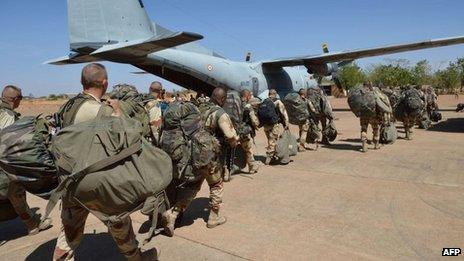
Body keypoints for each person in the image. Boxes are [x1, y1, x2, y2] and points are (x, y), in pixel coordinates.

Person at [53, 64, 156, 261]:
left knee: (67, 235)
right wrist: (117, 112)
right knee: (120, 223)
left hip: (70, 180)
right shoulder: (102, 110)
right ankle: (137, 258)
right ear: (104, 82)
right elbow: (128, 139)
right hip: (96, 181)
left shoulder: (68, 106)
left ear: (82, 82)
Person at [162, 87, 239, 235]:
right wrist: (236, 141)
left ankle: (173, 214)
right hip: (210, 156)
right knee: (216, 184)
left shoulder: (199, 108)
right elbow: (230, 136)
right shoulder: (220, 113)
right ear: (222, 99)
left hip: (194, 154)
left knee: (193, 186)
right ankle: (214, 217)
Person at [0, 85, 52, 235]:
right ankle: (32, 225)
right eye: (20, 98)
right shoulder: (7, 116)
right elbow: (8, 144)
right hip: (4, 165)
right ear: (15, 99)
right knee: (16, 192)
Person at [263, 89, 289, 165]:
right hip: (274, 125)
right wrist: (286, 123)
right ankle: (268, 158)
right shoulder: (278, 102)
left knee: (270, 141)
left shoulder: (265, 102)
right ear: (275, 94)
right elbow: (283, 112)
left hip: (266, 125)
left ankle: (273, 157)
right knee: (273, 141)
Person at [240, 89, 260, 173]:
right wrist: (257, 125)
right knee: (248, 149)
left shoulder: (236, 104)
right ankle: (252, 167)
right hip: (245, 131)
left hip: (234, 130)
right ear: (247, 96)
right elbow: (254, 120)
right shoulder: (248, 106)